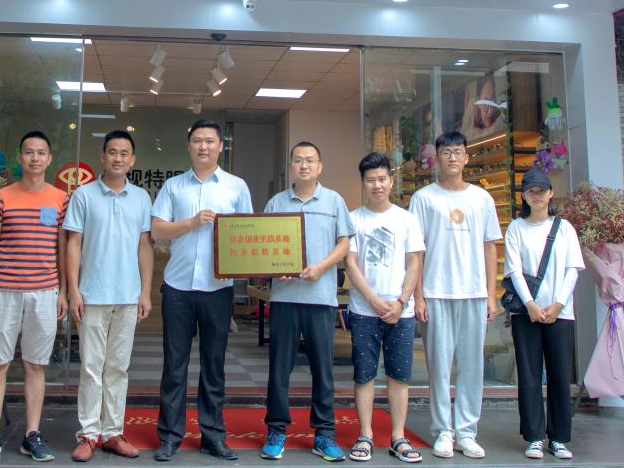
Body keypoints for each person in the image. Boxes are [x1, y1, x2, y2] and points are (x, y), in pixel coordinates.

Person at [150, 119, 253, 462]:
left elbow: (247, 234)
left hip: (218, 288)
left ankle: (213, 436)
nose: (203, 146)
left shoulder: (236, 186)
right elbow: (157, 231)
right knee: (174, 366)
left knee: (214, 365)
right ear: (189, 145)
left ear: (221, 146)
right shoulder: (173, 186)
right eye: (197, 140)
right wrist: (191, 223)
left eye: (210, 141)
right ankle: (169, 437)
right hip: (178, 287)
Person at [0, 131, 69, 464]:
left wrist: (63, 291)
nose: (35, 158)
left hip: (44, 292)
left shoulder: (60, 199)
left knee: (35, 365)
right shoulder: (1, 197)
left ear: (49, 159)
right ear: (19, 157)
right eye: (29, 152)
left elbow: (63, 249)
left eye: (41, 152)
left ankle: (32, 435)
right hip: (4, 292)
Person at [260, 142, 354, 462]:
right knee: (279, 369)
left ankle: (324, 434)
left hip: (321, 299)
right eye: (298, 160)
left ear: (320, 166)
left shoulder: (334, 201)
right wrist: (273, 267)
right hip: (284, 298)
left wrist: (322, 267)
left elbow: (344, 243)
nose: (304, 165)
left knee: (323, 370)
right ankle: (276, 430)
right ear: (291, 166)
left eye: (310, 160)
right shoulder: (276, 203)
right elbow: (264, 244)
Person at [63, 130, 153, 462]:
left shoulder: (141, 198)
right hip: (92, 295)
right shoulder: (83, 195)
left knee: (118, 368)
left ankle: (113, 433)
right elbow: (73, 245)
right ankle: (88, 434)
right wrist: (73, 290)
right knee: (91, 367)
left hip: (128, 296)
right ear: (102, 156)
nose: (118, 158)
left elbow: (145, 247)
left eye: (124, 153)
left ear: (133, 160)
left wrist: (145, 291)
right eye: (112, 152)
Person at [411, 130, 501, 460]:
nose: (452, 157)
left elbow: (490, 247)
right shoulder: (423, 198)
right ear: (436, 158)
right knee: (439, 366)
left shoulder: (482, 198)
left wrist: (491, 294)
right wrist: (418, 296)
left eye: (457, 151)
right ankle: (443, 431)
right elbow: (416, 251)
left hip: (474, 293)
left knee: (472, 366)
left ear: (466, 157)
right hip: (436, 292)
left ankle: (466, 431)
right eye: (446, 152)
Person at [345, 152, 425, 464]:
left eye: (381, 179)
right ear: (363, 183)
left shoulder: (407, 219)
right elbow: (351, 264)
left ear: (391, 181)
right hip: (364, 311)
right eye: (370, 180)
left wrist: (402, 301)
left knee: (399, 376)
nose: (376, 185)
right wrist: (375, 301)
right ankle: (365, 435)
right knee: (364, 374)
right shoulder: (354, 218)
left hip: (400, 312)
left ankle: (398, 437)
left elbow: (414, 261)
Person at [504, 167, 584, 461]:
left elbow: (573, 269)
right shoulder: (516, 228)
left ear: (551, 193)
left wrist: (558, 304)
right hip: (526, 314)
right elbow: (513, 270)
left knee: (560, 375)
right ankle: (535, 436)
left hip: (560, 313)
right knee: (529, 376)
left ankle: (559, 438)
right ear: (524, 196)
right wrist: (530, 305)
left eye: (541, 191)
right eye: (531, 191)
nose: (536, 196)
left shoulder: (565, 228)